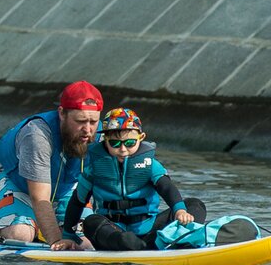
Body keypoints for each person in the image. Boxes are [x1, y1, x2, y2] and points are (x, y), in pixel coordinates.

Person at [0, 80, 103, 250]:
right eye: (80, 121)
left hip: (66, 185)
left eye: (93, 122)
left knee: (87, 244)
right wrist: (56, 241)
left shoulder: (102, 136)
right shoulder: (37, 136)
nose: (88, 130)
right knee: (21, 235)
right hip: (18, 181)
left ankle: (44, 222)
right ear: (62, 113)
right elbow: (39, 198)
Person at [53, 107, 206, 251]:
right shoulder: (93, 169)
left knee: (195, 205)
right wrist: (68, 236)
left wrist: (179, 210)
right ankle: (127, 243)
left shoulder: (151, 165)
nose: (123, 149)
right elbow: (77, 202)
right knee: (90, 221)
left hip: (150, 229)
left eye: (130, 143)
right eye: (115, 143)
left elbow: (167, 188)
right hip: (114, 232)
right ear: (105, 140)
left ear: (141, 137)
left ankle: (170, 239)